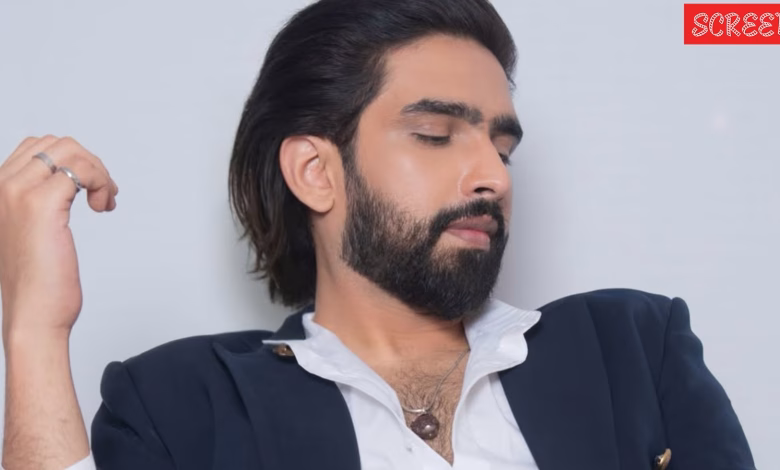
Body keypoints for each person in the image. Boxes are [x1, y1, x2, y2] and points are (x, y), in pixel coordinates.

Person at [0, 0, 756, 469]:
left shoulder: (633, 349)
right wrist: (34, 331)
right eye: (435, 135)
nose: (491, 176)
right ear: (315, 172)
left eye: (502, 148)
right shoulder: (181, 402)